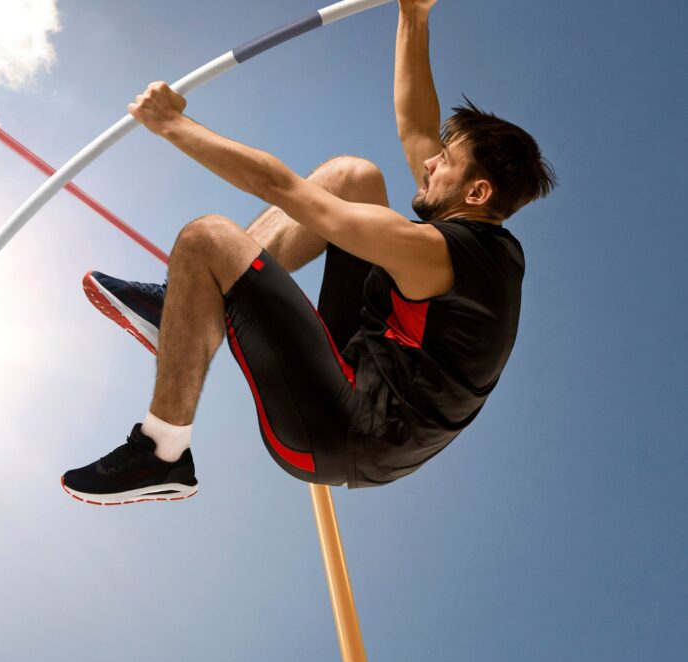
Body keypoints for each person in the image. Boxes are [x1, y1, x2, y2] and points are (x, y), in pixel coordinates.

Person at [61, 0, 556, 505]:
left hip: (342, 433)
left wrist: (171, 125)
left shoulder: (442, 256)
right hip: (366, 373)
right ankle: (178, 308)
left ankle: (161, 450)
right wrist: (414, 15)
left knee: (207, 237)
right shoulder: (474, 237)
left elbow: (281, 188)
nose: (429, 163)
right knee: (353, 176)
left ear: (476, 193)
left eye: (446, 161)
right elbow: (417, 131)